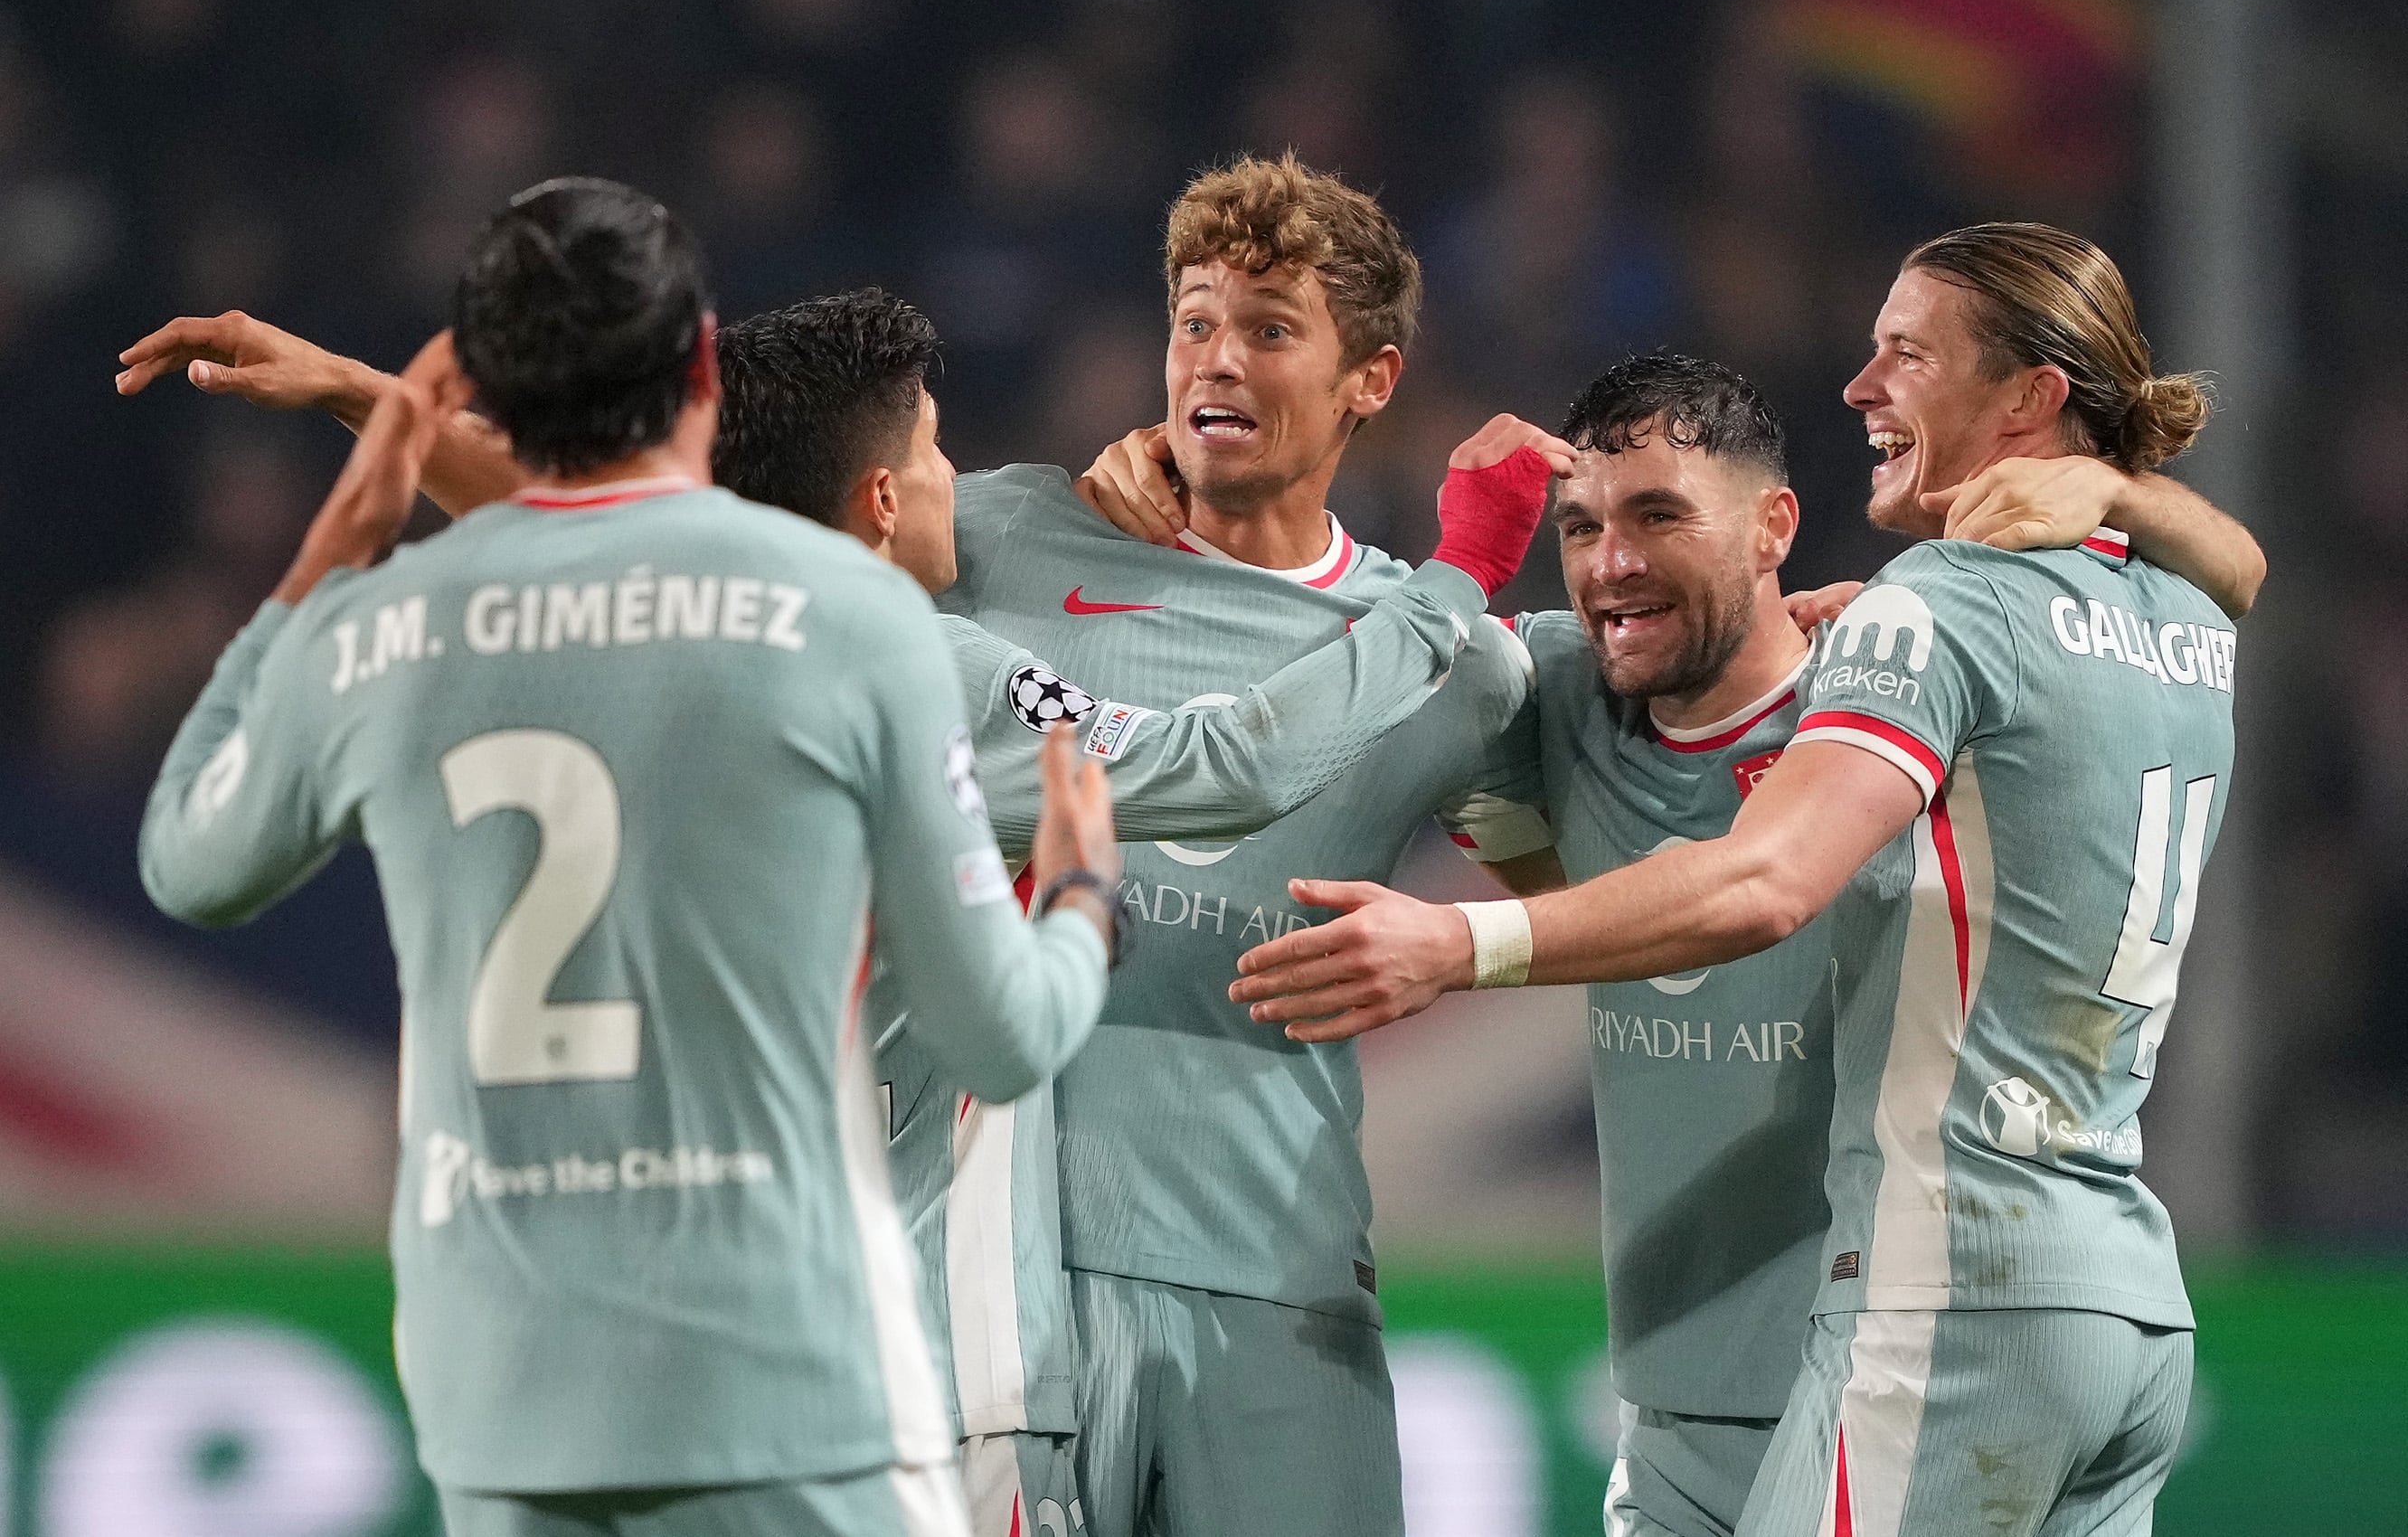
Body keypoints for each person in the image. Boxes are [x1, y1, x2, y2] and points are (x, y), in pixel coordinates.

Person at [118, 284, 1558, 1537]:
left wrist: (369, 408)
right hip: (946, 1325)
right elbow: (1219, 764)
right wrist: (1452, 584)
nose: (964, 480)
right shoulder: (919, 667)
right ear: (877, 499)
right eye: (933, 454)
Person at [1083, 335, 2257, 1537]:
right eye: (1581, 526)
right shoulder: (1539, 698)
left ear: (1773, 527)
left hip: (1890, 1372)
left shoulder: (1890, 704)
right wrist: (1186, 501)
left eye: (1657, 515)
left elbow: (2218, 584)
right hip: (1674, 1420)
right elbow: (1298, 664)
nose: (1612, 562)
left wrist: (2124, 493)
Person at [136, 178, 1120, 1537]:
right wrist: (1076, 897)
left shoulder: (381, 630)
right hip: (788, 1394)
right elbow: (1004, 1037)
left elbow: (188, 858)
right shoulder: (847, 616)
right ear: (704, 368)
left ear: (484, 376)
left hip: (505, 1404)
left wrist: (323, 563)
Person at [933, 153, 1563, 1537]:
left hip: (1280, 1291)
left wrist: (1457, 951)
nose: (1216, 357)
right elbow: (749, 539)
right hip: (1009, 1279)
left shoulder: (1450, 662)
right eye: (1195, 321)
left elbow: (1566, 896)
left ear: (1370, 382)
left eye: (1271, 329)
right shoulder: (1014, 534)